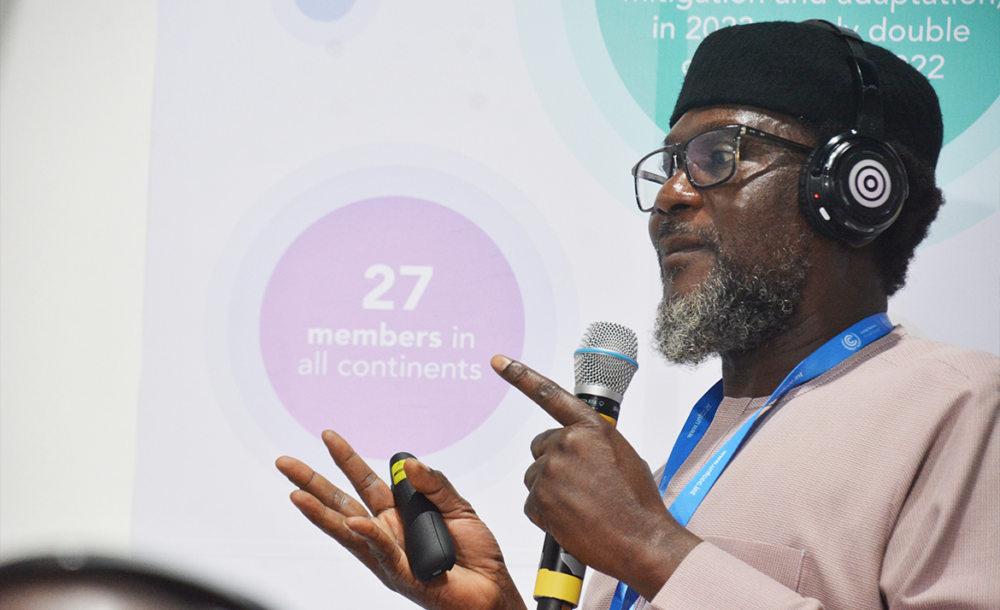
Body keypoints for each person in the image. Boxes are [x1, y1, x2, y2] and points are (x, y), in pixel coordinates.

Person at [275, 21, 999, 610]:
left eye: (717, 156)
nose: (670, 195)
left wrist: (649, 547)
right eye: (670, 164)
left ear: (854, 188)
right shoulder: (694, 452)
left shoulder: (964, 407)